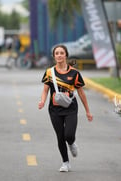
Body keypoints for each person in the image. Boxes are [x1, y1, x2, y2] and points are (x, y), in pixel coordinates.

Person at [38, 44, 93, 172]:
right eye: (57, 53)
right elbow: (45, 90)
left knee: (68, 135)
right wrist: (42, 101)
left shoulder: (74, 73)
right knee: (60, 136)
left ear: (66, 55)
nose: (59, 55)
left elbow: (81, 93)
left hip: (71, 108)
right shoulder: (49, 72)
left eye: (61, 53)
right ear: (54, 56)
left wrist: (88, 111)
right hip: (54, 110)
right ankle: (65, 163)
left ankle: (72, 143)